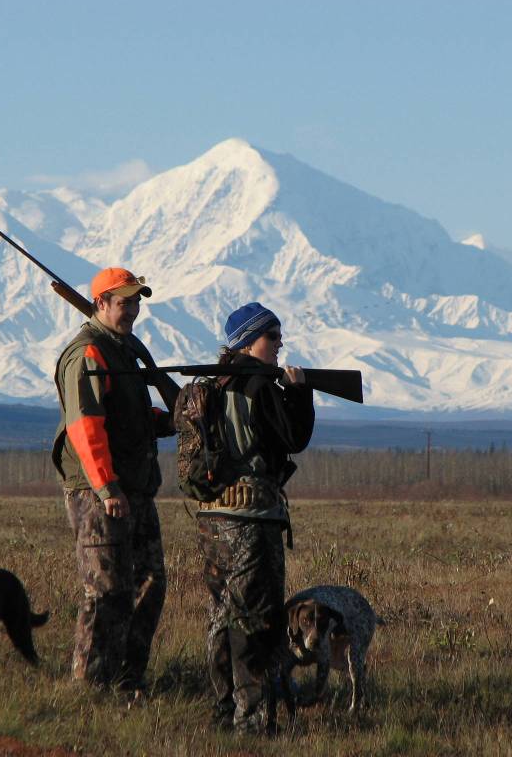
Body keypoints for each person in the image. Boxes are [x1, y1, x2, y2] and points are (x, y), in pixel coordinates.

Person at [51, 267, 174, 697]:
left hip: (135, 488)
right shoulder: (89, 353)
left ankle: (126, 679)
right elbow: (85, 426)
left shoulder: (121, 351)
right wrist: (107, 487)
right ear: (100, 303)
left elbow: (132, 418)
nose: (134, 310)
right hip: (100, 491)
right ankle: (89, 687)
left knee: (148, 583)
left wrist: (178, 418)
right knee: (105, 591)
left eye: (138, 301)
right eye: (125, 302)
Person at [196, 301, 315, 733]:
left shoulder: (211, 384)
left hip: (212, 519)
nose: (279, 344)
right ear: (248, 341)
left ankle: (223, 709)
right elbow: (294, 437)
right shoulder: (259, 386)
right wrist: (299, 391)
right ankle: (253, 721)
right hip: (252, 518)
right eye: (272, 337)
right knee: (256, 620)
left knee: (221, 615)